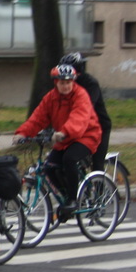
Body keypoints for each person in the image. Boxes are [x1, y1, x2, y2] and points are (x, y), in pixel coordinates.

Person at [14, 64, 101, 222]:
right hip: (64, 139)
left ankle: (73, 200)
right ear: (56, 83)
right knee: (49, 167)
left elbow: (79, 118)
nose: (66, 86)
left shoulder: (80, 95)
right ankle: (66, 196)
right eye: (62, 83)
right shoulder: (51, 98)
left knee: (69, 159)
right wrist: (22, 133)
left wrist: (64, 132)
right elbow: (38, 118)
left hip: (86, 136)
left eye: (68, 82)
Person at [60, 52, 112, 171]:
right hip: (78, 128)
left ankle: (99, 182)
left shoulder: (90, 84)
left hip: (100, 127)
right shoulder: (66, 84)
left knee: (97, 164)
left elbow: (87, 108)